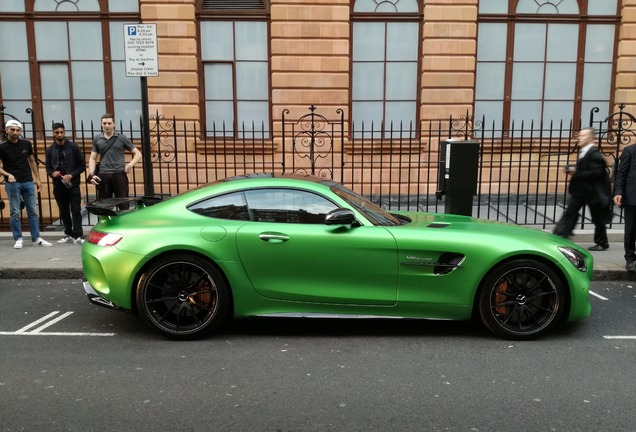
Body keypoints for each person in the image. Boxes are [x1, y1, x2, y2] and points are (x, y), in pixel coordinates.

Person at [553, 127, 612, 251]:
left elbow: (596, 172)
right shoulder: (585, 151)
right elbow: (586, 168)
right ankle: (560, 235)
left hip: (592, 192)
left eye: (582, 135)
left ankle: (602, 243)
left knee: (598, 219)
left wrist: (575, 172)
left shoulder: (595, 154)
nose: (579, 138)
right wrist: (573, 168)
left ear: (591, 138)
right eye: (579, 135)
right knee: (570, 212)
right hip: (581, 191)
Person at [0, 119, 53, 248]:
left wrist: (38, 179)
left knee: (33, 211)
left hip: (28, 181)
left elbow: (32, 161)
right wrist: (8, 175)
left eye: (17, 130)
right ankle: (18, 238)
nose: (15, 132)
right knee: (15, 211)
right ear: (7, 130)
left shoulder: (26, 144)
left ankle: (36, 238)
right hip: (12, 183)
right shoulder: (2, 147)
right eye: (12, 130)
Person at [87, 113, 142, 209]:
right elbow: (92, 158)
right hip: (103, 176)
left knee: (123, 205)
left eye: (109, 123)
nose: (107, 126)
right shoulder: (97, 139)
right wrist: (92, 174)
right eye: (104, 123)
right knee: (103, 206)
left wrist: (130, 165)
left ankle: (123, 224)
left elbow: (138, 154)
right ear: (101, 124)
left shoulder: (121, 138)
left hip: (119, 174)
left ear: (114, 124)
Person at [45, 122, 86, 244]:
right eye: (57, 132)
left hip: (73, 184)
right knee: (63, 211)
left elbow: (82, 165)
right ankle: (68, 234)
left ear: (64, 132)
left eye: (61, 132)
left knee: (76, 210)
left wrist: (71, 175)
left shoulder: (73, 147)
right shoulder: (50, 150)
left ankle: (78, 235)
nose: (59, 134)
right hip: (58, 185)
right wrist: (52, 174)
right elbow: (47, 167)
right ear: (53, 133)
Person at [613, 143, 636, 271]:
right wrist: (618, 192)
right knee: (631, 229)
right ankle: (630, 257)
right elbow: (621, 174)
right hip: (633, 197)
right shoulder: (630, 151)